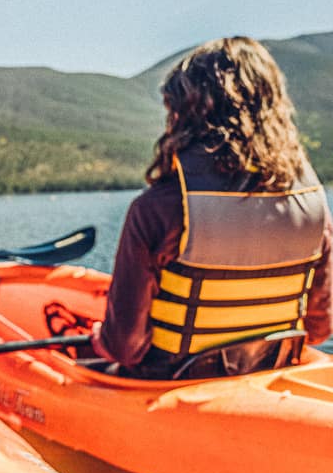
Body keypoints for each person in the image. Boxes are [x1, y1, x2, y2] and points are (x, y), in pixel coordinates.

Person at [90, 36, 333, 378]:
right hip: (268, 372)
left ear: (186, 116)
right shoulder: (314, 208)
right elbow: (319, 331)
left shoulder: (157, 209)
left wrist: (99, 340)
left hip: (170, 383)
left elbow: (126, 348)